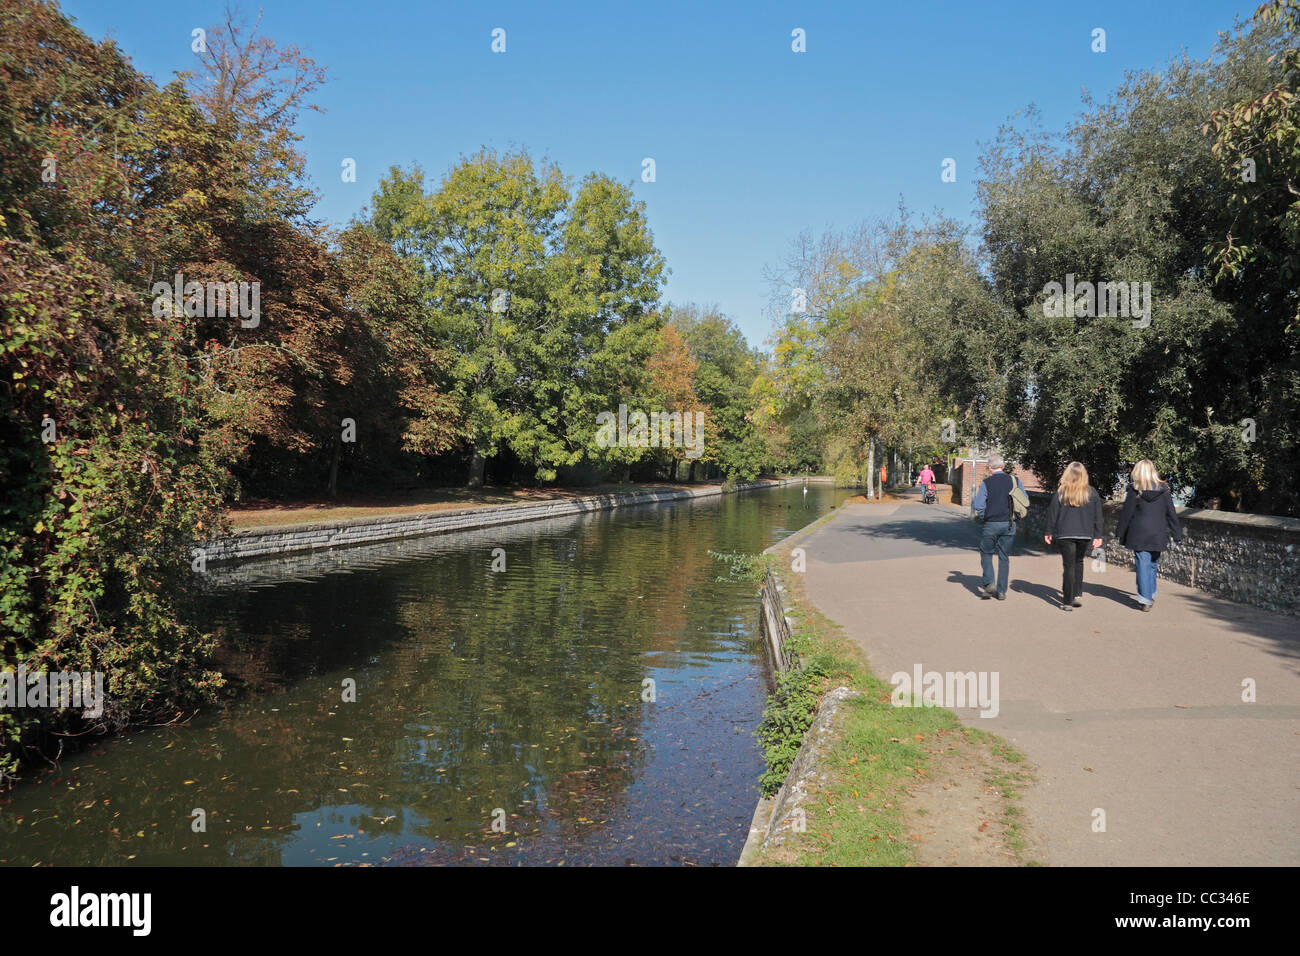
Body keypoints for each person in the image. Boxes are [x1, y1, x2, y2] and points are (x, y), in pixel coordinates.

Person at [1114, 459, 1183, 611]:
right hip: (1157, 532)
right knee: (1152, 563)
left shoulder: (1135, 489)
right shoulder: (1164, 489)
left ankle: (1145, 599)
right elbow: (1171, 513)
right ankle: (1150, 593)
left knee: (1143, 564)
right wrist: (1176, 533)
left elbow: (1127, 513)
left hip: (1139, 533)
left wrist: (1120, 532)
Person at [1043, 461, 1103, 611]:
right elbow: (1098, 516)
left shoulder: (1061, 492)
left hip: (1065, 534)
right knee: (1078, 562)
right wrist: (1098, 535)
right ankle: (1077, 594)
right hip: (1084, 534)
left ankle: (1067, 601)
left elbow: (1052, 514)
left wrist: (1048, 531)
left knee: (1068, 566)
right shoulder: (1091, 492)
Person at [972, 454, 1026, 600]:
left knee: (986, 553)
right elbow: (1024, 500)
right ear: (1003, 466)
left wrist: (985, 516)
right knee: (1004, 557)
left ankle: (989, 583)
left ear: (990, 467)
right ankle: (1001, 591)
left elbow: (978, 505)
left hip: (991, 524)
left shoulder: (986, 483)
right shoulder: (1015, 480)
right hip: (1009, 524)